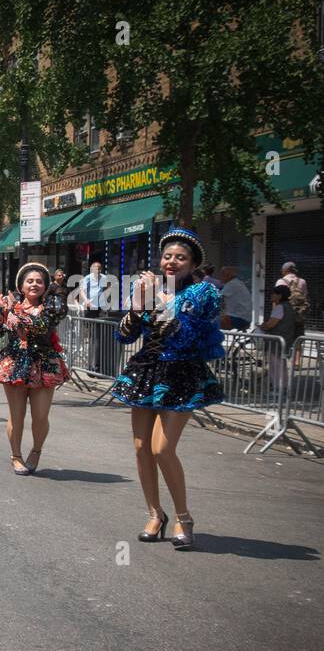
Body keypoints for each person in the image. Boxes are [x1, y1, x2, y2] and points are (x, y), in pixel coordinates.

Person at [108, 228, 223, 550]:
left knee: (162, 449)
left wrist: (161, 302)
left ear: (193, 263)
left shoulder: (204, 293)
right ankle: (155, 514)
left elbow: (189, 337)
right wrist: (138, 305)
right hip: (147, 371)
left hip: (182, 374)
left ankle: (184, 518)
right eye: (168, 256)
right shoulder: (151, 288)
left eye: (180, 258)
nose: (172, 262)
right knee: (142, 447)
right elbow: (126, 337)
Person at [0, 263, 70, 475]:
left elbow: (41, 326)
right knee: (17, 415)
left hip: (44, 363)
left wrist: (12, 310)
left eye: (39, 281)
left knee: (40, 416)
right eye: (30, 281)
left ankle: (36, 450)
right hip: (15, 362)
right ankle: (15, 455)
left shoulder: (53, 305)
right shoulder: (9, 305)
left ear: (45, 285)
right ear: (21, 286)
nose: (34, 284)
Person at [215, 266, 251, 330]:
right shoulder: (237, 283)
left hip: (237, 318)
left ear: (228, 276)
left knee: (205, 322)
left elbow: (217, 299)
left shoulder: (231, 284)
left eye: (221, 275)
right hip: (244, 318)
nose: (219, 277)